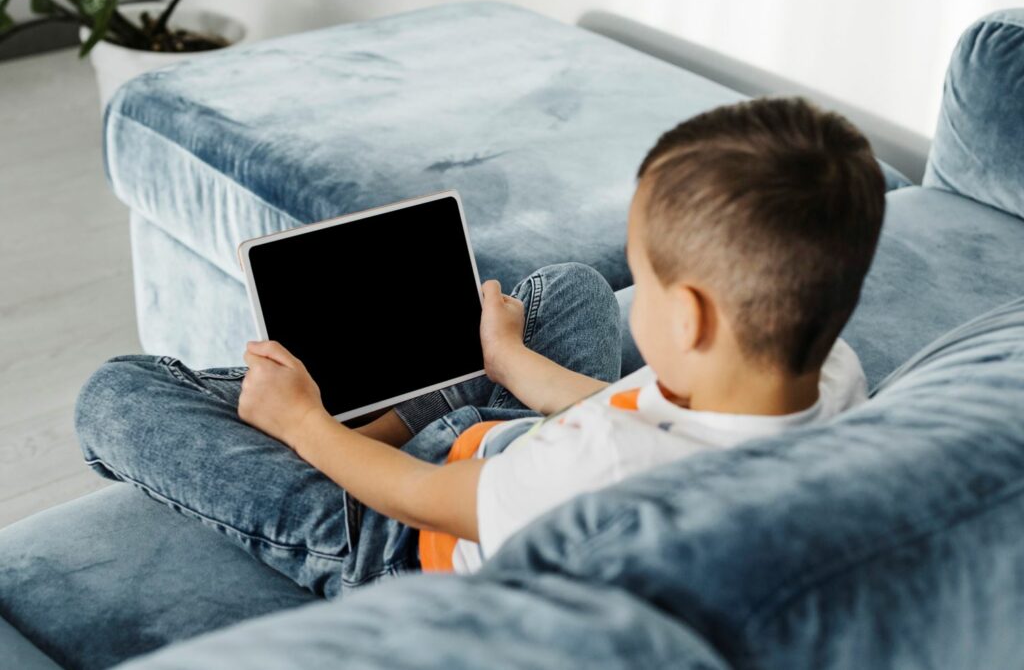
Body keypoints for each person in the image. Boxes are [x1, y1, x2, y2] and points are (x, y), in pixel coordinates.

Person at [76, 96, 886, 597]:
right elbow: (636, 413)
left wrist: (305, 427)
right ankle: (453, 382)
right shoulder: (834, 374)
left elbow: (421, 498)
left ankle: (350, 422)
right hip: (515, 453)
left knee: (118, 394)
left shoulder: (607, 468)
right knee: (569, 286)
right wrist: (511, 364)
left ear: (692, 320)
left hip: (400, 540)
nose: (634, 283)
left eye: (644, 273)